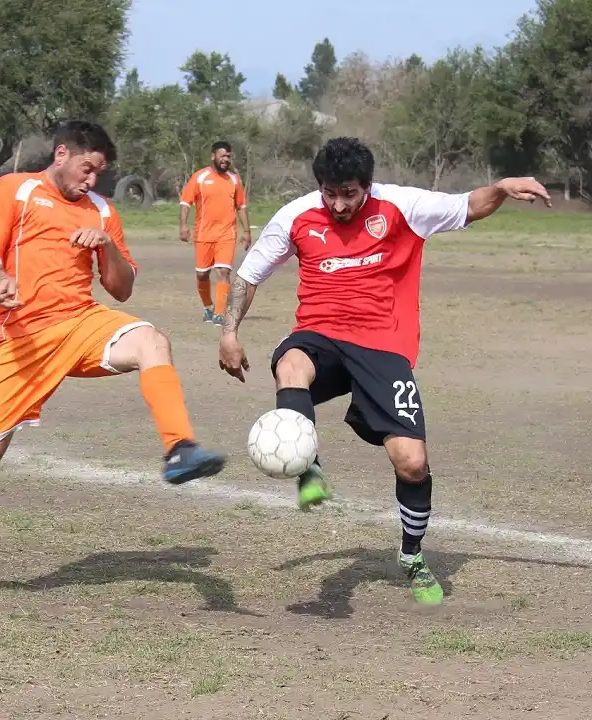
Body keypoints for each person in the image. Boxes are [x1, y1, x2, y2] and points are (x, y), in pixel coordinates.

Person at [217, 137, 551, 606]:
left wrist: (501, 186)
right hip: (320, 334)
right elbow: (249, 275)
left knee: (412, 463)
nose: (338, 204)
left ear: (367, 186)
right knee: (291, 363)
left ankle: (412, 554)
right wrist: (230, 333)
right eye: (330, 192)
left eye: (349, 194)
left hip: (382, 346)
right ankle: (308, 467)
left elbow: (467, 207)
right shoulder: (296, 217)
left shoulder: (400, 205)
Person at [0, 120, 227, 581]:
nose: (91, 180)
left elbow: (122, 289)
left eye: (99, 173)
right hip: (17, 342)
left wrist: (107, 245)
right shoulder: (13, 190)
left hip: (79, 324)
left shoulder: (100, 211)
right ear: (61, 155)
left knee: (154, 341)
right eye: (87, 168)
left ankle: (179, 448)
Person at [179, 141, 251, 325]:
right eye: (222, 156)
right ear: (213, 156)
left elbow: (241, 206)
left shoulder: (234, 179)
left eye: (228, 156)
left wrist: (247, 231)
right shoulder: (200, 177)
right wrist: (183, 226)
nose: (226, 159)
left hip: (227, 234)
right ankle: (208, 307)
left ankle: (219, 313)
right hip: (204, 234)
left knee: (223, 271)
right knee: (202, 275)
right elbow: (185, 203)